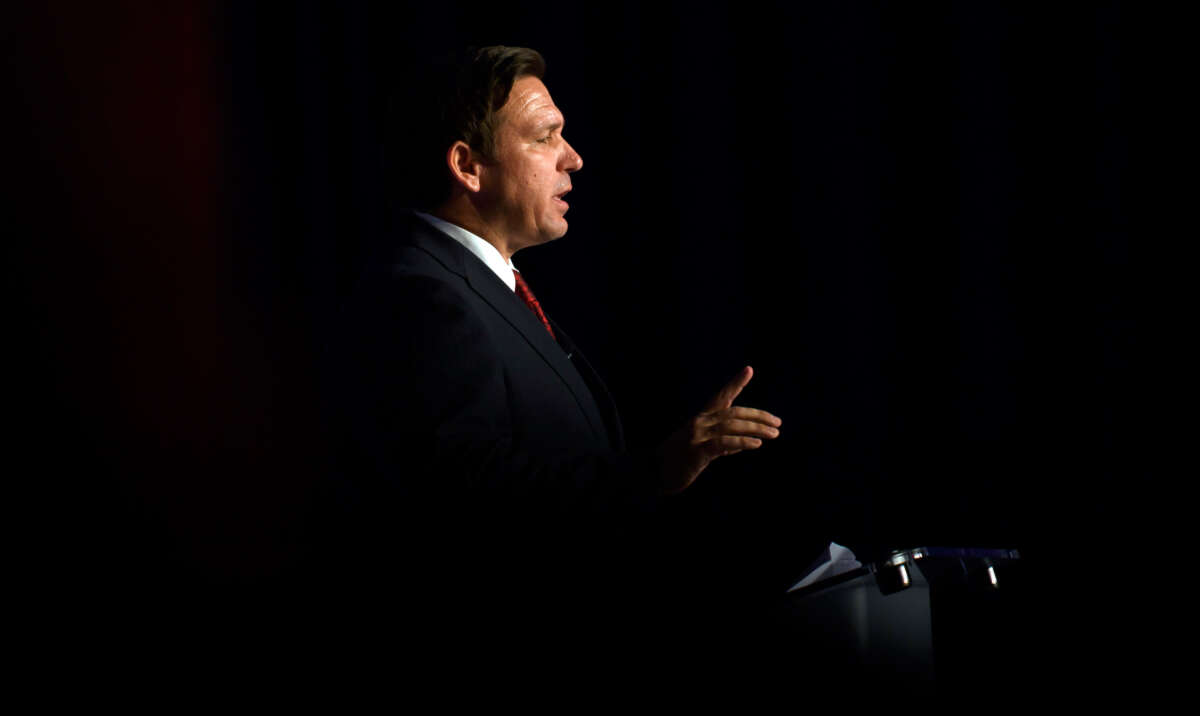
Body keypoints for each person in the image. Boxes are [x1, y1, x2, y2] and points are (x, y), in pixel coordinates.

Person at [329, 46, 782, 644]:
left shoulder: (481, 286)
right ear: (468, 165)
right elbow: (476, 500)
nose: (574, 158)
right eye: (546, 137)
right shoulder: (423, 295)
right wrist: (653, 472)